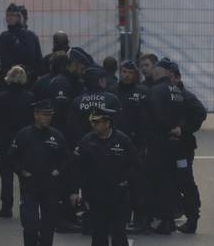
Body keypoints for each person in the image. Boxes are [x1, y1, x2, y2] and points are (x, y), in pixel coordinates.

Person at [70, 107, 140, 246]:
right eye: (92, 122)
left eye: (98, 122)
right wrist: (75, 191)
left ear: (108, 123)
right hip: (95, 196)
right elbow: (76, 167)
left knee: (118, 232)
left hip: (119, 195)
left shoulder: (122, 140)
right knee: (98, 235)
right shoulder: (86, 141)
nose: (94, 125)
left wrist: (126, 179)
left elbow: (136, 164)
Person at [7, 99, 70, 246]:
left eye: (50, 115)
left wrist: (59, 170)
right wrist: (21, 171)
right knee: (31, 225)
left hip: (50, 188)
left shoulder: (56, 136)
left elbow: (67, 158)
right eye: (44, 115)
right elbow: (11, 157)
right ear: (36, 115)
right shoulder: (24, 135)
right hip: (30, 187)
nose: (47, 118)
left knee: (48, 228)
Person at [145, 58, 187, 234]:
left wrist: (165, 129)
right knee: (170, 181)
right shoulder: (176, 90)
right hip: (174, 143)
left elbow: (154, 115)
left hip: (159, 142)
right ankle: (169, 218)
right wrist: (175, 129)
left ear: (158, 72)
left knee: (158, 182)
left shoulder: (155, 91)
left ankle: (164, 220)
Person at [167, 61, 206, 234]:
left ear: (177, 77)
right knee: (172, 180)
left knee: (184, 180)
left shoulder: (185, 96)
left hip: (182, 147)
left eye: (170, 77)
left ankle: (192, 216)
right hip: (173, 146)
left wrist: (183, 129)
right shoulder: (171, 94)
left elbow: (200, 113)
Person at [0, 66, 34, 217]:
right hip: (24, 139)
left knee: (6, 174)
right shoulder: (30, 97)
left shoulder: (0, 97)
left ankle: (6, 205)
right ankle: (26, 203)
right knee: (24, 174)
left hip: (5, 138)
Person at [115, 60, 152, 233]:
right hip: (116, 143)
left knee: (138, 183)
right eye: (123, 71)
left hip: (137, 144)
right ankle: (121, 218)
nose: (126, 75)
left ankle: (140, 220)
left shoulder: (143, 92)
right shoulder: (113, 92)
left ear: (135, 74)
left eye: (130, 72)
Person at [67, 66, 123, 148]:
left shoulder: (77, 101)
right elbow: (119, 123)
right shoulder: (112, 99)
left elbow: (71, 127)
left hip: (83, 146)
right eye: (104, 79)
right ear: (100, 81)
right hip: (108, 146)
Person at [0, 3, 42, 80]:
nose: (9, 18)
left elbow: (37, 59)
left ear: (19, 17)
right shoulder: (4, 36)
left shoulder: (30, 35)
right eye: (8, 15)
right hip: (11, 78)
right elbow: (4, 60)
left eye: (12, 15)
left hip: (27, 77)